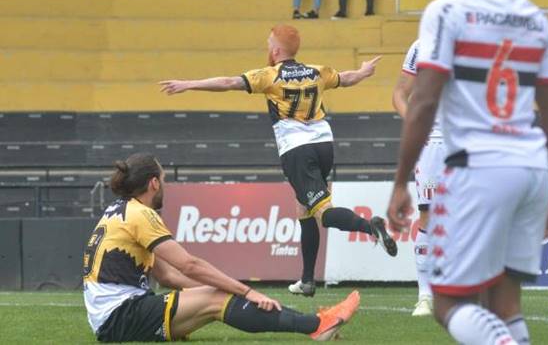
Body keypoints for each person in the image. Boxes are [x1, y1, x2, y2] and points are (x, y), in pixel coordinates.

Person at [386, 0, 548, 344]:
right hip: (531, 169)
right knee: (505, 305)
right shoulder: (533, 17)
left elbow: (423, 102)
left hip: (479, 168)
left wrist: (399, 181)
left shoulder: (447, 11)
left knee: (448, 302)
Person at [159, 24, 397, 299]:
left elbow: (228, 83)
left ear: (275, 51)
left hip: (297, 150)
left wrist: (189, 84)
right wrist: (364, 71)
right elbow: (347, 78)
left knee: (323, 213)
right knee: (303, 208)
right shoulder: (317, 71)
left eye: (269, 43)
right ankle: (307, 280)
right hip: (324, 146)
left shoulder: (269, 76)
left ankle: (371, 227)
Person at [82, 153, 360, 342]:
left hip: (114, 317)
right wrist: (245, 291)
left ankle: (317, 322)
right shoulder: (141, 214)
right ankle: (316, 325)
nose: (165, 185)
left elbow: (167, 276)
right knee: (218, 298)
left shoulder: (120, 210)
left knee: (218, 295)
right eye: (163, 180)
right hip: (120, 316)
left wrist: (225, 290)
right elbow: (188, 265)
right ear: (153, 183)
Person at [392, 40, 445, 317]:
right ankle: (425, 295)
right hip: (432, 140)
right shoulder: (422, 45)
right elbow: (400, 92)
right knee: (428, 216)